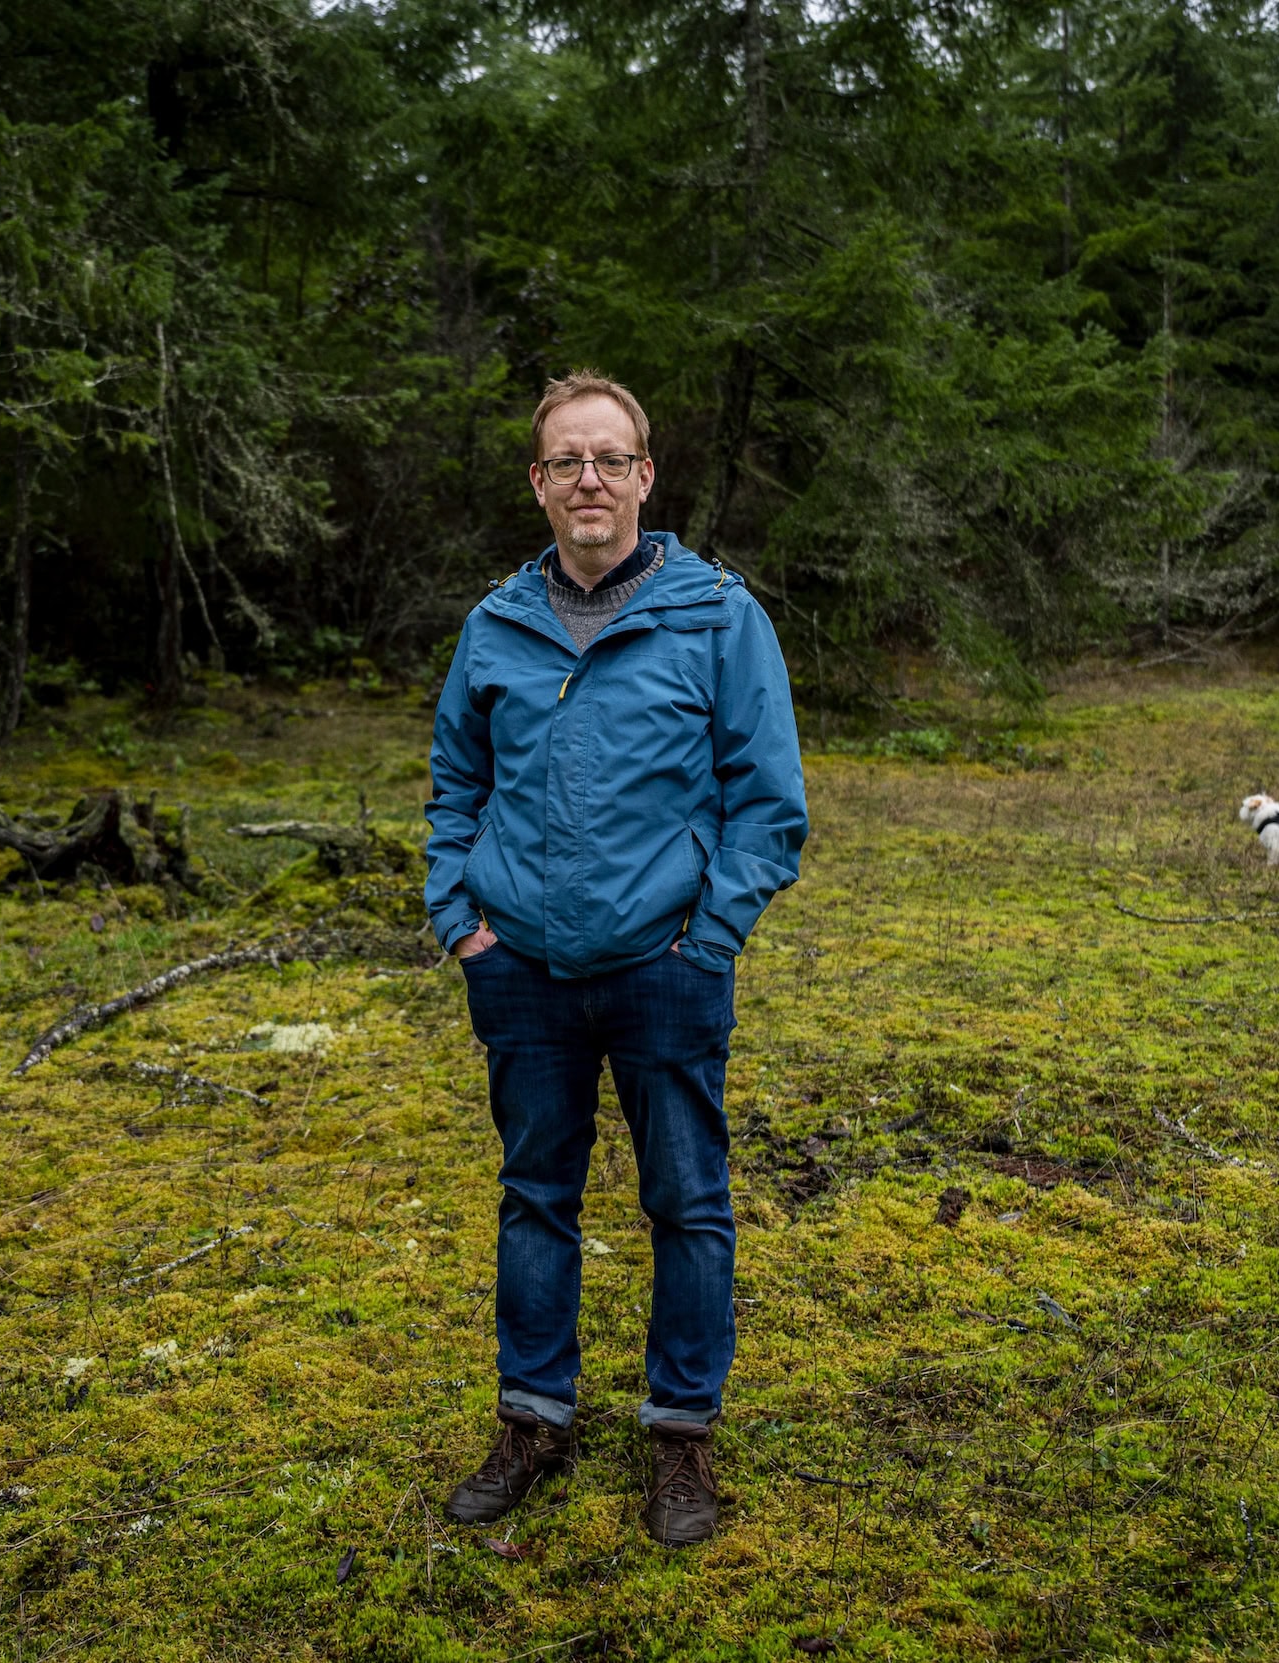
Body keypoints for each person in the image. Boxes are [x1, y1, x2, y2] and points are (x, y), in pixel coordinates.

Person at [423, 370, 808, 1547]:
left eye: (609, 458)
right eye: (564, 462)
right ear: (538, 485)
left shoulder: (716, 614)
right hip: (523, 971)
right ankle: (533, 1422)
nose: (588, 478)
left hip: (666, 966)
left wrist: (710, 938)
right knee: (534, 1195)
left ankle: (680, 1437)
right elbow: (454, 787)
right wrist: (464, 922)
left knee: (686, 1204)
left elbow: (769, 803)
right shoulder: (494, 624)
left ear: (645, 476)